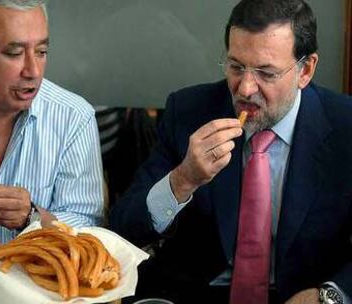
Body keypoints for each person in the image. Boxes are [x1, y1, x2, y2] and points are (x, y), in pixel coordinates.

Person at [110, 0, 352, 303]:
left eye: (266, 73)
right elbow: (123, 229)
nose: (245, 88)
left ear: (306, 70)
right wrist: (183, 179)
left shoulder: (345, 126)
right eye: (236, 66)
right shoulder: (189, 111)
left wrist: (331, 294)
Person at [0, 0, 103, 302]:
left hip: (41, 295)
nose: (33, 71)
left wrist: (33, 217)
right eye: (14, 53)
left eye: (41, 52)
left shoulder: (73, 117)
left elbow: (87, 230)